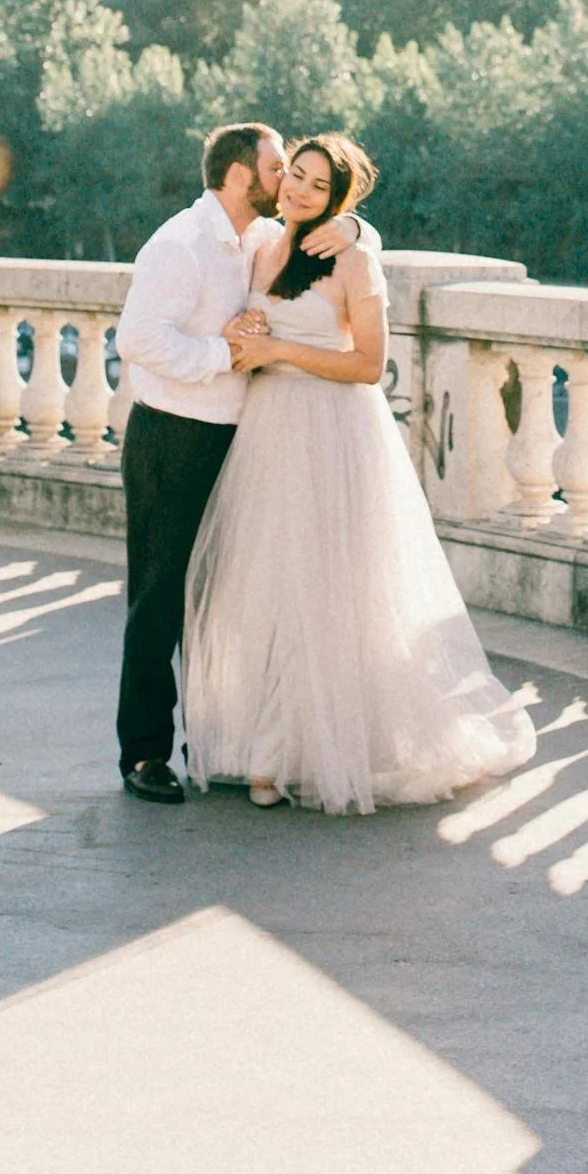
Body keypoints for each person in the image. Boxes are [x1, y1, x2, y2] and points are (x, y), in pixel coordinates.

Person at [182, 131, 537, 814]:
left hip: (332, 432)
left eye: (318, 185)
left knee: (331, 590)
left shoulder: (353, 259)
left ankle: (307, 753)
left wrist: (281, 344)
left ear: (339, 199)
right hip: (267, 432)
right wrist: (250, 337)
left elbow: (368, 365)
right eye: (295, 176)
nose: (299, 190)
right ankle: (266, 747)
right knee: (266, 585)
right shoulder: (262, 246)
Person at [112, 120, 361, 801]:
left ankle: (216, 742)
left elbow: (329, 246)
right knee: (159, 598)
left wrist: (358, 231)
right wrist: (224, 355)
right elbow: (137, 339)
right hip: (172, 434)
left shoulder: (255, 238)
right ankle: (143, 755)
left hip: (237, 436)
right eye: (278, 168)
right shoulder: (180, 245)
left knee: (225, 601)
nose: (286, 181)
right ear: (240, 175)